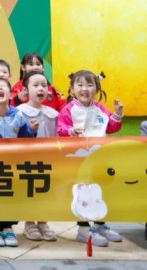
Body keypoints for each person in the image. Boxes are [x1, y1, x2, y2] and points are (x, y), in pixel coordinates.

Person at [57, 70, 124, 247]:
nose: (84, 89)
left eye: (89, 85)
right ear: (72, 89)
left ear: (97, 88)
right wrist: (71, 131)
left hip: (100, 159)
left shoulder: (100, 108)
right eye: (79, 85)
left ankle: (100, 225)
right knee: (82, 193)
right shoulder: (68, 110)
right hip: (78, 161)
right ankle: (84, 230)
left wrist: (117, 114)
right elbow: (61, 129)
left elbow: (111, 127)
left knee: (100, 191)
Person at [0, 77, 39, 247]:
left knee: (10, 195)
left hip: (12, 164)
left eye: (3, 86)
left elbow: (25, 137)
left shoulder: (18, 115)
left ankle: (8, 227)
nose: (0, 87)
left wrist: (32, 129)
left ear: (10, 94)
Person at [17, 71, 59, 242]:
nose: (40, 88)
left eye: (44, 85)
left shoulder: (53, 113)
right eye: (35, 85)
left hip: (47, 159)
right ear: (25, 90)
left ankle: (43, 222)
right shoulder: (19, 112)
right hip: (27, 160)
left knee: (45, 190)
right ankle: (29, 223)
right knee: (30, 190)